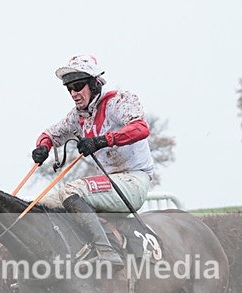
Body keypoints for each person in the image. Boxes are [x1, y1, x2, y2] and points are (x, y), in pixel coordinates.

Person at [32, 54, 155, 267]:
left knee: (71, 191)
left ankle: (108, 253)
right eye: (69, 88)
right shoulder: (78, 115)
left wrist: (102, 141)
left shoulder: (119, 100)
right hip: (111, 184)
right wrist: (43, 146)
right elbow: (51, 133)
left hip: (134, 182)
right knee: (38, 205)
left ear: (95, 83)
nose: (73, 93)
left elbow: (141, 128)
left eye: (78, 85)